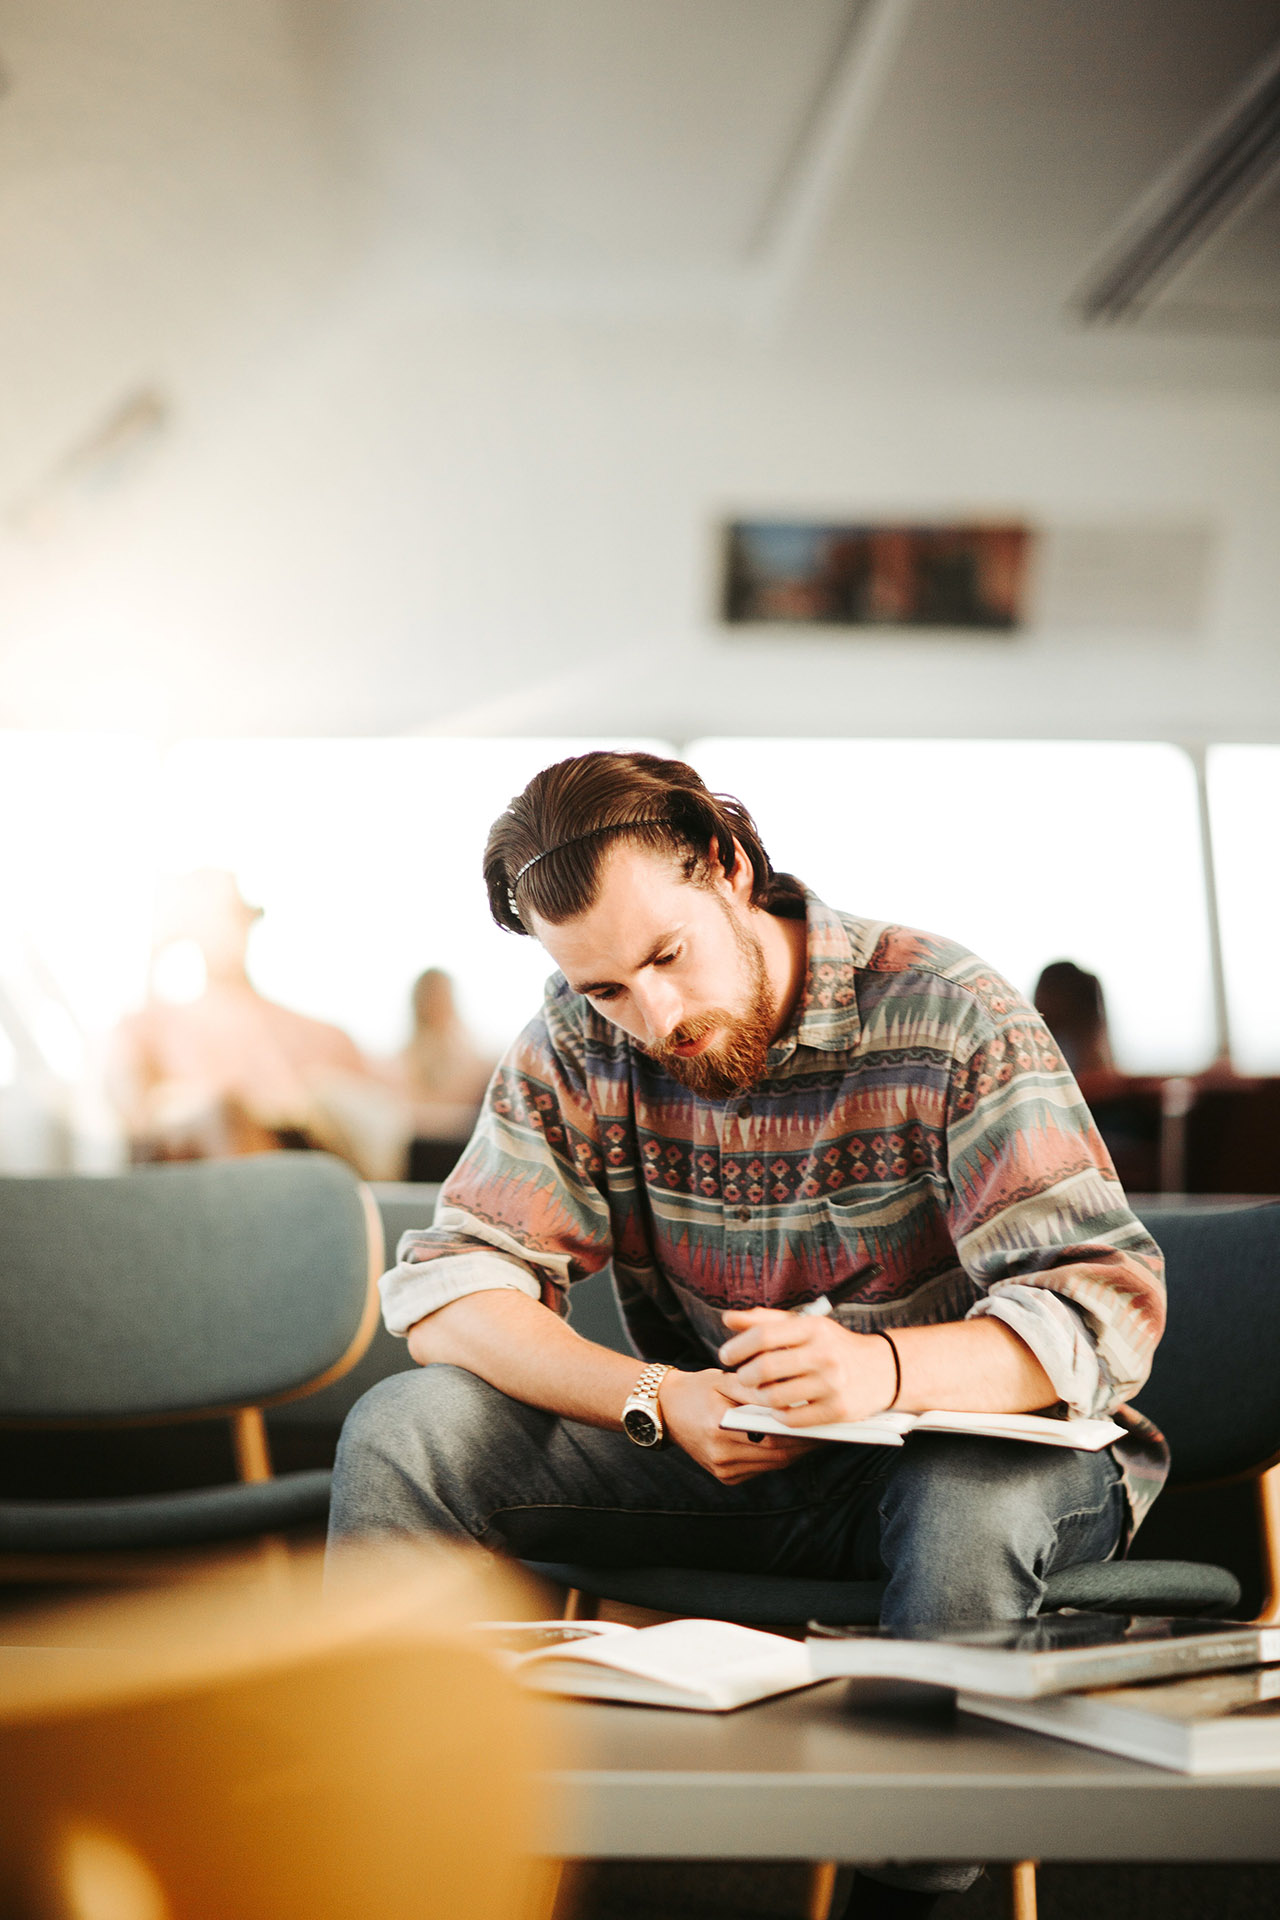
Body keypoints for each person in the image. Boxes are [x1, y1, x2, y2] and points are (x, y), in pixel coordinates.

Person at [330, 752, 1167, 1918]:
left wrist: (879, 1371)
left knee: (967, 1498)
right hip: (723, 1449)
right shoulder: (580, 1037)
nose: (651, 1017)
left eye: (665, 958)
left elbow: (1097, 1300)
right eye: (608, 988)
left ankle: (905, 1892)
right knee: (404, 1429)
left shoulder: (945, 1009)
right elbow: (448, 1292)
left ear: (725, 865)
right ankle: (378, 1861)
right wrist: (651, 1397)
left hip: (970, 1459)